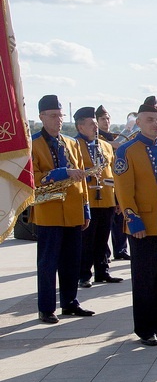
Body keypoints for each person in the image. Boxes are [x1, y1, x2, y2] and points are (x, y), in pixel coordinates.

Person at [114, 96, 157, 345]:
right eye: (150, 120)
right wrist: (133, 219)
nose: (156, 124)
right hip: (143, 226)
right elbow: (123, 189)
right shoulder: (127, 150)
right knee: (144, 280)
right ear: (138, 122)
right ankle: (145, 328)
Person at [31, 94, 93, 324]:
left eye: (60, 116)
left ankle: (70, 302)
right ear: (41, 117)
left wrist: (86, 208)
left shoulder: (72, 142)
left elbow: (82, 177)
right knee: (48, 263)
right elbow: (32, 178)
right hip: (49, 212)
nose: (58, 120)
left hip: (74, 210)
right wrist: (61, 173)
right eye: (53, 116)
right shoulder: (33, 144)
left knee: (71, 261)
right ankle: (46, 308)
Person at [74, 106, 122, 287]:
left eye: (96, 124)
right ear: (80, 127)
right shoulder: (74, 145)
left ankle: (103, 271)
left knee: (103, 238)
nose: (96, 128)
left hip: (107, 198)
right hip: (87, 199)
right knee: (87, 240)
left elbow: (114, 172)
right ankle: (84, 274)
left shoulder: (105, 145)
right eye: (92, 124)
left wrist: (117, 198)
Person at [97, 105, 131, 261]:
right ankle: (105, 254)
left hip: (118, 181)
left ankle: (121, 249)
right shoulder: (99, 139)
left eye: (108, 118)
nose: (106, 121)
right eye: (103, 119)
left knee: (120, 219)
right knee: (105, 224)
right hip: (104, 185)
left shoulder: (115, 136)